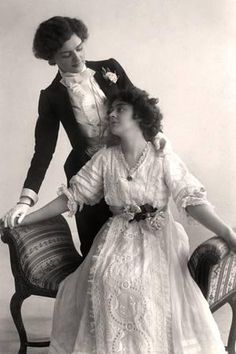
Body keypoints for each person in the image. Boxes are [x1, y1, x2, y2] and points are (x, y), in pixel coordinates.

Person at [17, 87, 236, 353]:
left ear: (140, 117)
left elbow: (191, 201)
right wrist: (25, 217)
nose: (111, 114)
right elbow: (71, 197)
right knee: (105, 280)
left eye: (120, 109)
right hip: (117, 236)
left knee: (145, 285)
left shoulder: (163, 157)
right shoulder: (105, 158)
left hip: (159, 236)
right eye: (110, 109)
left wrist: (227, 232)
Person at [2, 16, 133, 257]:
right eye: (66, 54)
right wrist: (25, 201)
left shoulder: (110, 68)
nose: (77, 58)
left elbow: (140, 108)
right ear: (51, 58)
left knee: (134, 244)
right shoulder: (51, 96)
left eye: (80, 48)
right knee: (96, 252)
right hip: (86, 175)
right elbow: (43, 152)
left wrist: (156, 138)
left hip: (129, 168)